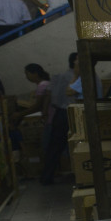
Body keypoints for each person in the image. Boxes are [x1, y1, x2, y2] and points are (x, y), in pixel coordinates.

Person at [41, 53, 79, 185]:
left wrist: (45, 112)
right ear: (75, 62)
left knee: (55, 147)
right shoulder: (77, 77)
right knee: (79, 144)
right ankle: (81, 175)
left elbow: (49, 95)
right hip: (74, 112)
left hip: (60, 113)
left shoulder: (59, 76)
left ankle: (47, 176)